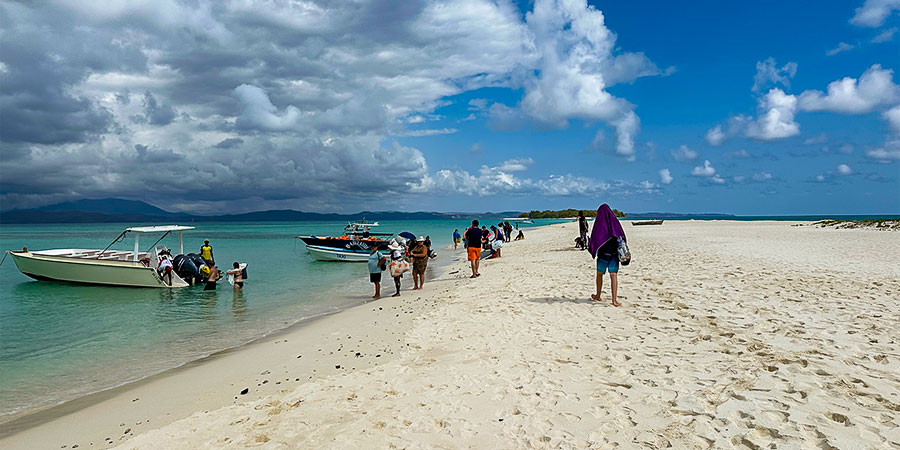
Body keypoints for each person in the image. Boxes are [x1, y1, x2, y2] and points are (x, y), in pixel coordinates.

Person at [588, 204, 626, 307]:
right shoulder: (614, 221)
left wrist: (592, 249)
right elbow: (621, 235)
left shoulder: (599, 223)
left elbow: (594, 238)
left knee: (600, 274)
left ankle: (598, 295)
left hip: (603, 254)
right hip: (614, 254)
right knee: (613, 275)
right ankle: (614, 300)